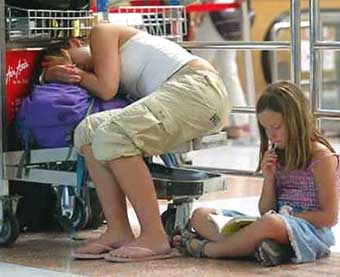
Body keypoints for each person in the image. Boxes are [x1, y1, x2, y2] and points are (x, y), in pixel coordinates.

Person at [41, 23, 230, 262]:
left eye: (73, 62)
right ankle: (118, 231)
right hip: (181, 96)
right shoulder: (116, 63)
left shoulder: (102, 32)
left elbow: (106, 89)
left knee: (114, 135)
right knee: (87, 131)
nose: (76, 69)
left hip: (196, 88)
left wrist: (74, 74)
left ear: (76, 43)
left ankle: (154, 236)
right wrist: (52, 75)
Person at [174, 81, 340, 266]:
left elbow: (329, 217)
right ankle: (255, 247)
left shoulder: (322, 157)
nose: (271, 135)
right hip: (272, 223)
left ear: (296, 121)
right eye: (265, 128)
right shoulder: (277, 154)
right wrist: (269, 178)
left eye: (276, 127)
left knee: (270, 223)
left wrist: (287, 216)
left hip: (310, 231)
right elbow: (264, 209)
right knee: (201, 214)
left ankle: (208, 249)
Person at [189, 0, 252, 138]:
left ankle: (200, 119)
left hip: (215, 15)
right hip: (233, 16)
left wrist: (202, 9)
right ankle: (240, 121)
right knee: (228, 69)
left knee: (194, 67)